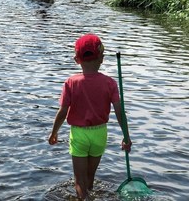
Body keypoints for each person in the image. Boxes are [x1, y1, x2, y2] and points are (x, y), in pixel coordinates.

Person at [48, 34, 132, 200]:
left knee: (79, 182)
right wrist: (126, 137)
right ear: (102, 58)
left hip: (79, 134)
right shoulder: (110, 83)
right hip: (100, 134)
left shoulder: (71, 83)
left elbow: (63, 111)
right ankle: (90, 196)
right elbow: (119, 112)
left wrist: (54, 133)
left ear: (76, 59)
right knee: (90, 179)